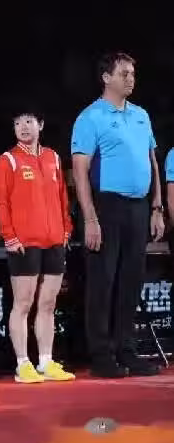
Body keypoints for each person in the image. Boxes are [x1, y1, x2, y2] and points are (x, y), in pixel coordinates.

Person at [71, 52, 163, 378]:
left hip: (139, 206)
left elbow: (152, 161)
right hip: (107, 206)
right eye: (124, 73)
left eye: (133, 73)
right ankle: (101, 355)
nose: (131, 79)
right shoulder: (90, 117)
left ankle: (127, 349)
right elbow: (79, 171)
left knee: (131, 282)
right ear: (106, 78)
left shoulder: (141, 115)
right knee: (103, 281)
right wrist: (90, 218)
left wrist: (157, 207)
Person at [0, 107, 76, 383]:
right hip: (24, 243)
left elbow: (62, 197)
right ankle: (22, 363)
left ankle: (46, 361)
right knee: (23, 303)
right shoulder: (8, 160)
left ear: (40, 124)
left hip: (54, 241)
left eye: (28, 121)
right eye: (18, 123)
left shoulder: (53, 157)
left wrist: (66, 228)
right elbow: (1, 202)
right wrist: (9, 235)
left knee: (48, 303)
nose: (23, 127)